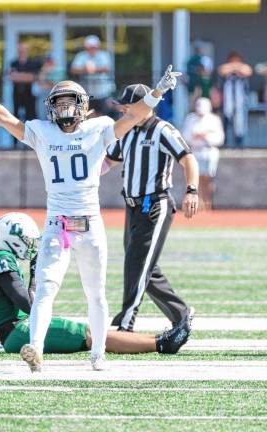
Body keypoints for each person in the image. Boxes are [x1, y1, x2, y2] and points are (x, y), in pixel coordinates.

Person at [0, 64, 182, 373]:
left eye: (69, 101)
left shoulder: (98, 129)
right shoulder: (42, 132)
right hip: (59, 224)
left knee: (95, 291)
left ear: (83, 105)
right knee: (46, 287)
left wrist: (159, 91)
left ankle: (98, 353)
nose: (64, 107)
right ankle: (37, 348)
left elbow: (135, 116)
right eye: (58, 102)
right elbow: (4, 118)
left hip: (89, 223)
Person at [0, 212, 191, 365]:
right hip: (18, 332)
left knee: (93, 331)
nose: (32, 245)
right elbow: (28, 304)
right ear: (12, 239)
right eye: (27, 241)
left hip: (19, 330)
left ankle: (160, 339)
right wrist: (37, 272)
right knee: (91, 334)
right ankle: (161, 343)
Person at [104, 83, 199, 333]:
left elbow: (188, 158)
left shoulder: (162, 130)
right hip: (132, 206)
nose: (123, 108)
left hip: (154, 204)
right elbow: (109, 161)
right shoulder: (125, 131)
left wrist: (191, 190)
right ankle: (181, 313)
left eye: (129, 104)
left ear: (144, 105)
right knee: (145, 264)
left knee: (137, 263)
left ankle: (126, 320)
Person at [182, 98, 225, 210]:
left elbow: (219, 138)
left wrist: (206, 136)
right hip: (195, 151)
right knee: (197, 178)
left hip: (209, 152)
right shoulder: (190, 118)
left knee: (209, 179)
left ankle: (208, 204)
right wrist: (194, 136)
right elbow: (185, 136)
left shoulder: (214, 119)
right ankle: (199, 204)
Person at [70, 35, 114, 117]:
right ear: (86, 47)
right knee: (89, 115)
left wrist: (93, 69)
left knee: (102, 117)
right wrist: (85, 70)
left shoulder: (104, 55)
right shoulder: (81, 56)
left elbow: (106, 68)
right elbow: (73, 69)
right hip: (87, 92)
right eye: (90, 47)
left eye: (94, 47)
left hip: (103, 92)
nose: (92, 49)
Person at [218, 51, 252, 147]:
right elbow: (222, 70)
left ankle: (240, 144)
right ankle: (225, 143)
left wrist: (235, 67)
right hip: (227, 103)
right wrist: (234, 67)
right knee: (226, 124)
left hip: (240, 103)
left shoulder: (243, 68)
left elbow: (248, 71)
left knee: (240, 124)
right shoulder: (226, 69)